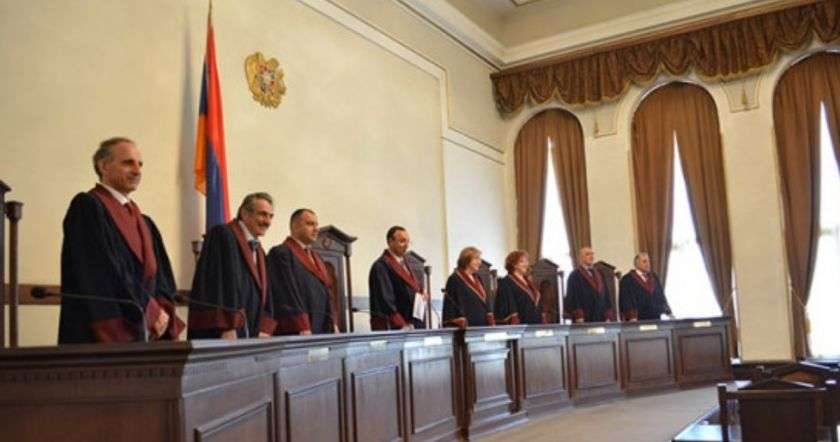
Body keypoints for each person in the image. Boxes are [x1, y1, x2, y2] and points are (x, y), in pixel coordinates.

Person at [58, 137, 184, 343]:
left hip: (148, 334)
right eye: (128, 163)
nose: (137, 170)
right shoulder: (88, 207)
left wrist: (162, 312)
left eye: (140, 164)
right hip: (103, 334)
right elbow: (101, 272)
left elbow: (161, 278)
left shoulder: (145, 223)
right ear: (104, 166)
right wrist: (150, 310)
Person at [187, 193, 278, 339]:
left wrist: (264, 328)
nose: (267, 221)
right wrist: (227, 326)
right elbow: (215, 285)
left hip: (253, 334)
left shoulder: (259, 250)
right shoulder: (222, 235)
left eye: (270, 216)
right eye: (262, 214)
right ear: (245, 213)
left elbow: (265, 293)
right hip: (227, 333)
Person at [267, 208, 336, 335]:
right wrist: (302, 325)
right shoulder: (281, 253)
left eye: (316, 225)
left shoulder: (317, 258)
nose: (316, 229)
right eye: (310, 224)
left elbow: (328, 293)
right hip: (297, 330)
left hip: (321, 328)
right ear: (295, 227)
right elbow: (287, 294)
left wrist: (333, 323)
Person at [368, 226, 428, 330]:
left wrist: (421, 294)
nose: (407, 246)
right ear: (390, 242)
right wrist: (402, 325)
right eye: (402, 241)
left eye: (408, 242)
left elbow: (410, 288)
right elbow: (385, 301)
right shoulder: (381, 266)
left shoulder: (407, 264)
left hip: (411, 324)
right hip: (396, 327)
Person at [443, 246, 495, 328]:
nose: (479, 262)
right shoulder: (455, 279)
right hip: (466, 326)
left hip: (482, 324)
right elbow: (450, 307)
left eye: (479, 259)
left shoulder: (478, 278)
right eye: (476, 258)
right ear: (466, 260)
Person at [564, 247, 614, 323]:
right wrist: (579, 316)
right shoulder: (575, 275)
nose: (591, 256)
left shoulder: (600, 274)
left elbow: (606, 294)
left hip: (601, 317)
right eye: (587, 254)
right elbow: (573, 297)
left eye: (592, 254)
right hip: (584, 317)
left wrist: (608, 315)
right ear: (580, 258)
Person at [618, 252, 672, 321]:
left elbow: (661, 296)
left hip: (656, 318)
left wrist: (668, 312)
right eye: (644, 261)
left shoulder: (654, 277)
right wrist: (632, 317)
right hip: (638, 320)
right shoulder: (627, 280)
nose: (648, 264)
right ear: (636, 264)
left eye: (649, 261)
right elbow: (626, 301)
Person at [495, 250, 544, 324]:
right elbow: (507, 307)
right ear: (514, 264)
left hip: (535, 322)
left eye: (527, 261)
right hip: (520, 325)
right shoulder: (505, 282)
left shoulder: (528, 281)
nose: (526, 264)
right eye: (522, 262)